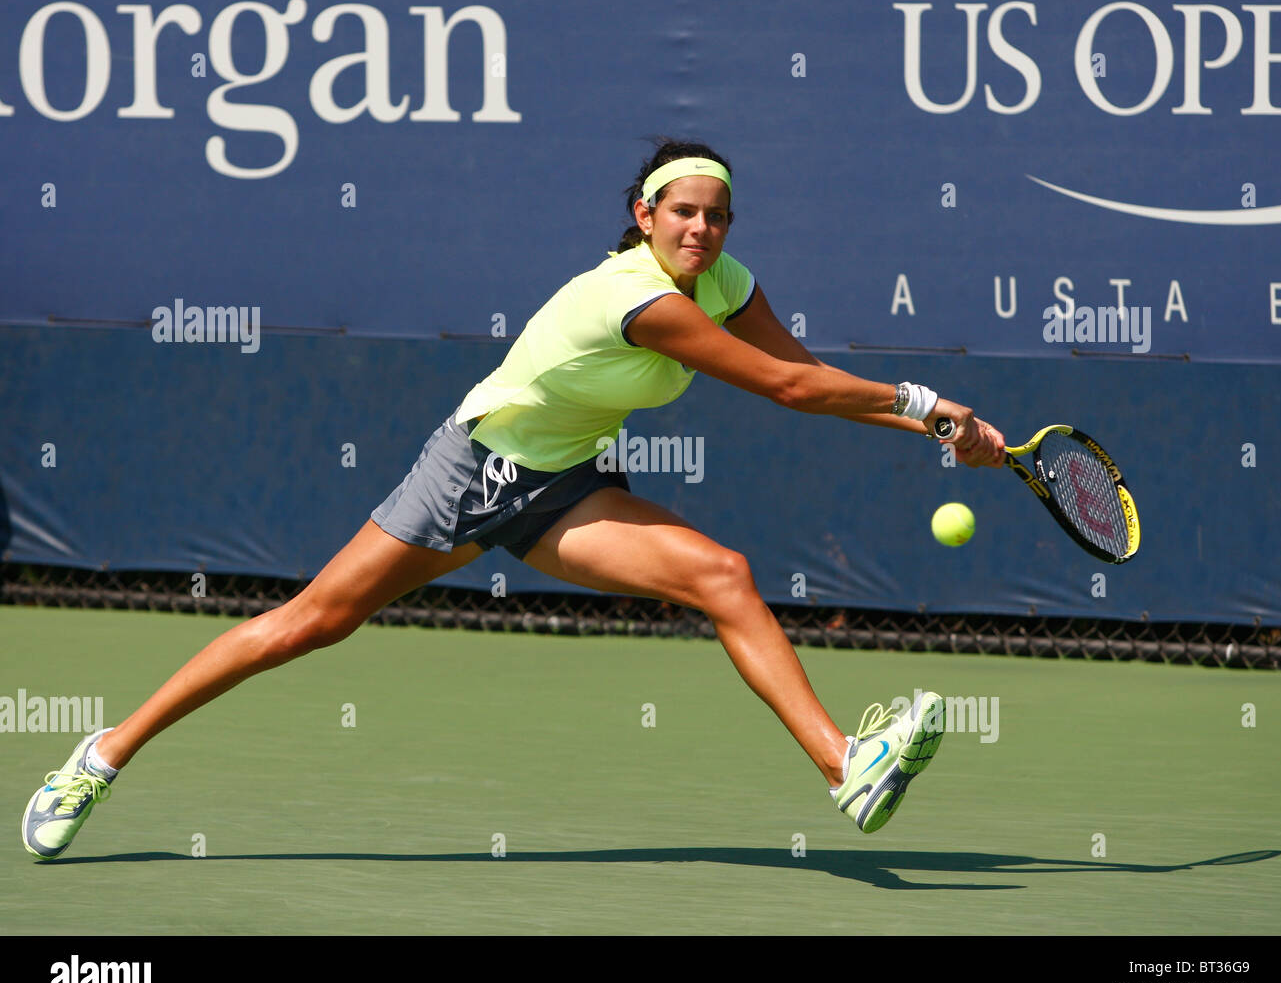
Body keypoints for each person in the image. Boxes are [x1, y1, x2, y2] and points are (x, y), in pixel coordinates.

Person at [22, 138, 1006, 860]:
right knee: (306, 625)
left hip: (563, 488)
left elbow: (806, 374)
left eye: (716, 215)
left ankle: (845, 768)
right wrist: (930, 406)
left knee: (723, 575)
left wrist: (944, 432)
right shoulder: (635, 298)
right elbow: (790, 390)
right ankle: (101, 757)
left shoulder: (724, 283)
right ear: (643, 217)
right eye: (683, 213)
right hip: (472, 472)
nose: (701, 228)